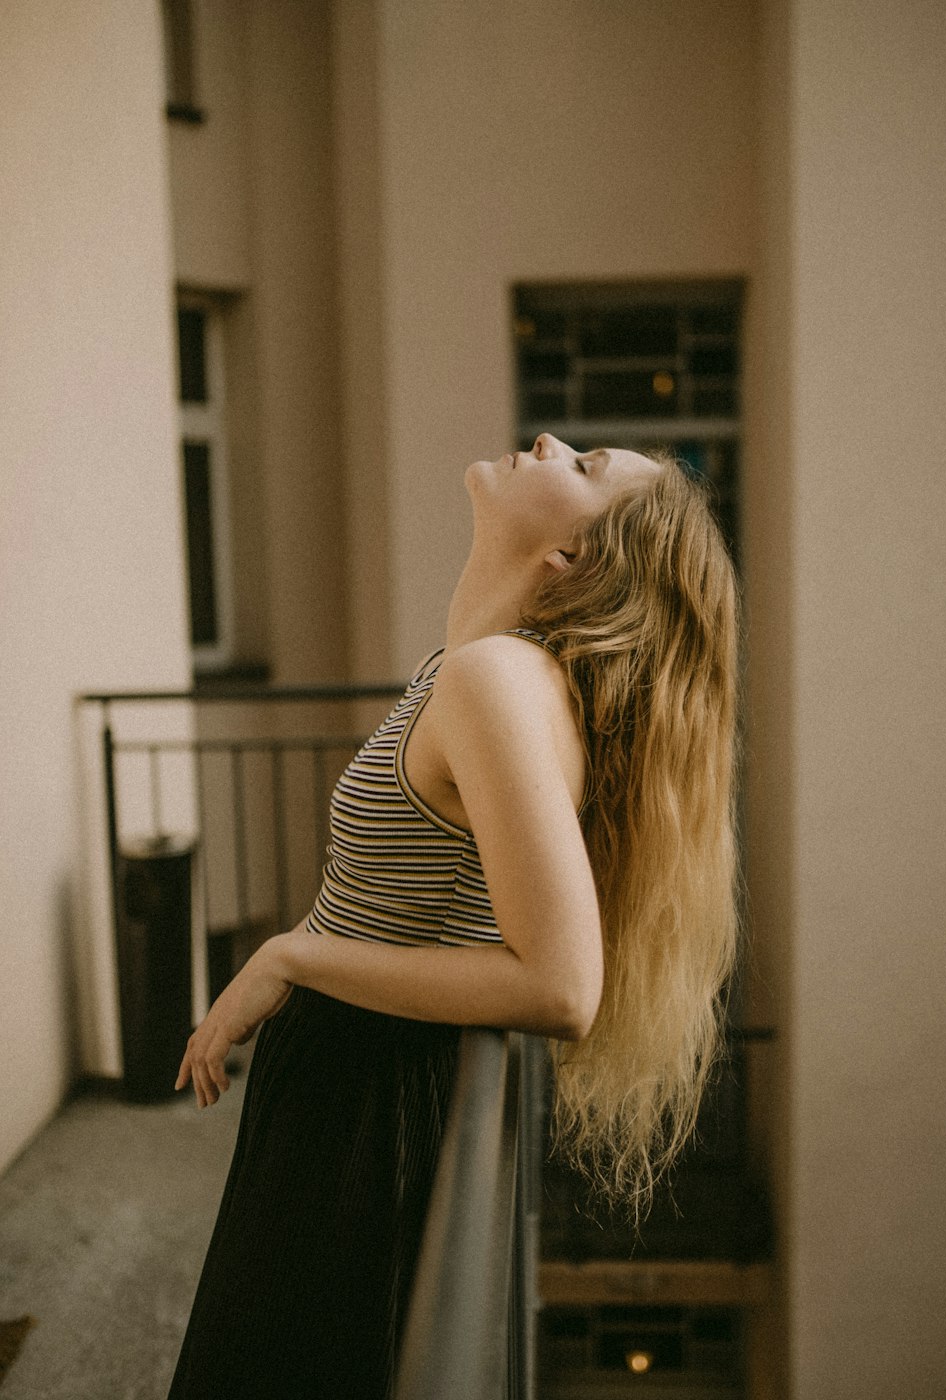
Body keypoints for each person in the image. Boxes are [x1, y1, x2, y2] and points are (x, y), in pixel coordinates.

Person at [168, 432, 740, 1400]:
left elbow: (561, 987)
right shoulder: (484, 668)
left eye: (586, 464)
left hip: (364, 1097)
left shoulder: (498, 683)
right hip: (356, 1081)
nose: (550, 439)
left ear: (573, 557)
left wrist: (293, 954)